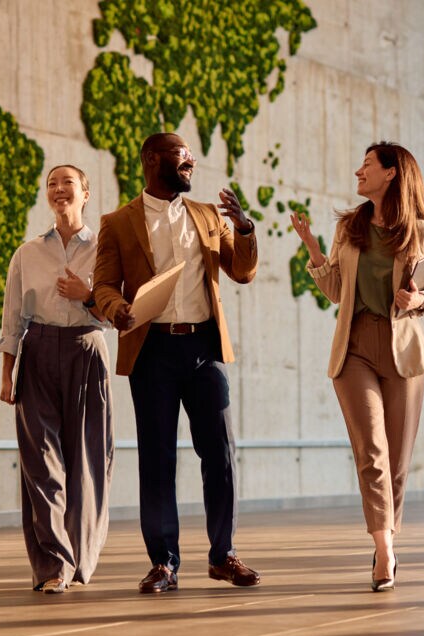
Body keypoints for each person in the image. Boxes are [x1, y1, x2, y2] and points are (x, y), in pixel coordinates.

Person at [92, 132, 261, 593]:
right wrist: (116, 309)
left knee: (220, 455)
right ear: (151, 159)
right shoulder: (117, 223)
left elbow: (242, 272)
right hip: (152, 351)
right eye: (180, 157)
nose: (190, 163)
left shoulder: (208, 215)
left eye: (190, 158)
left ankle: (223, 555)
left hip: (205, 349)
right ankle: (163, 563)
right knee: (158, 459)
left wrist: (244, 229)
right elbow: (103, 284)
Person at [290, 141, 424, 592]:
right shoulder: (350, 225)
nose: (359, 172)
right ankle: (385, 550)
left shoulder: (422, 232)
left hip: (403, 352)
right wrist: (316, 253)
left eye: (367, 166)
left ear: (392, 174)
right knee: (371, 454)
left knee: (396, 462)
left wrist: (418, 299)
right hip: (354, 347)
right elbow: (337, 292)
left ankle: (386, 539)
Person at [0, 164, 113, 594]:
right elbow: (13, 321)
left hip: (88, 350)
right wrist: (7, 375)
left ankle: (79, 559)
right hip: (39, 352)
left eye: (68, 183)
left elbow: (121, 315)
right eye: (51, 183)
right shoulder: (27, 253)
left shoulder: (106, 249)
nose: (58, 189)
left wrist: (89, 298)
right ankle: (52, 567)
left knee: (86, 462)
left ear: (86, 193)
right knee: (40, 463)